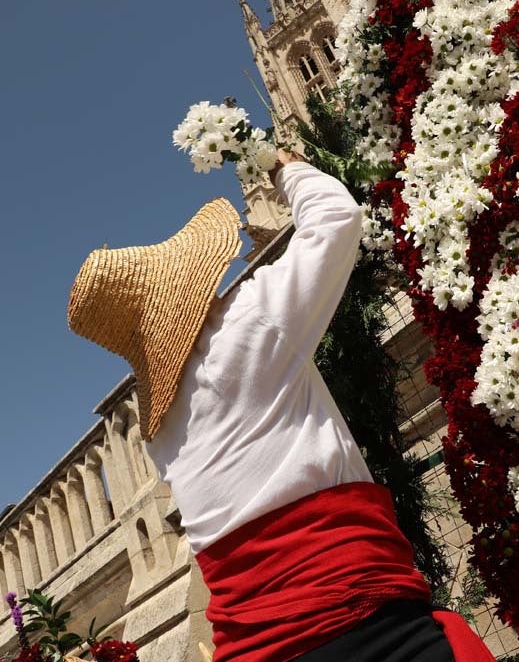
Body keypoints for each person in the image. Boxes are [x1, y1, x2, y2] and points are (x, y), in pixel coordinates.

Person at [67, 151, 496, 662]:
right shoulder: (246, 322)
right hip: (362, 615)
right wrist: (285, 167)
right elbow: (337, 218)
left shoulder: (157, 433)